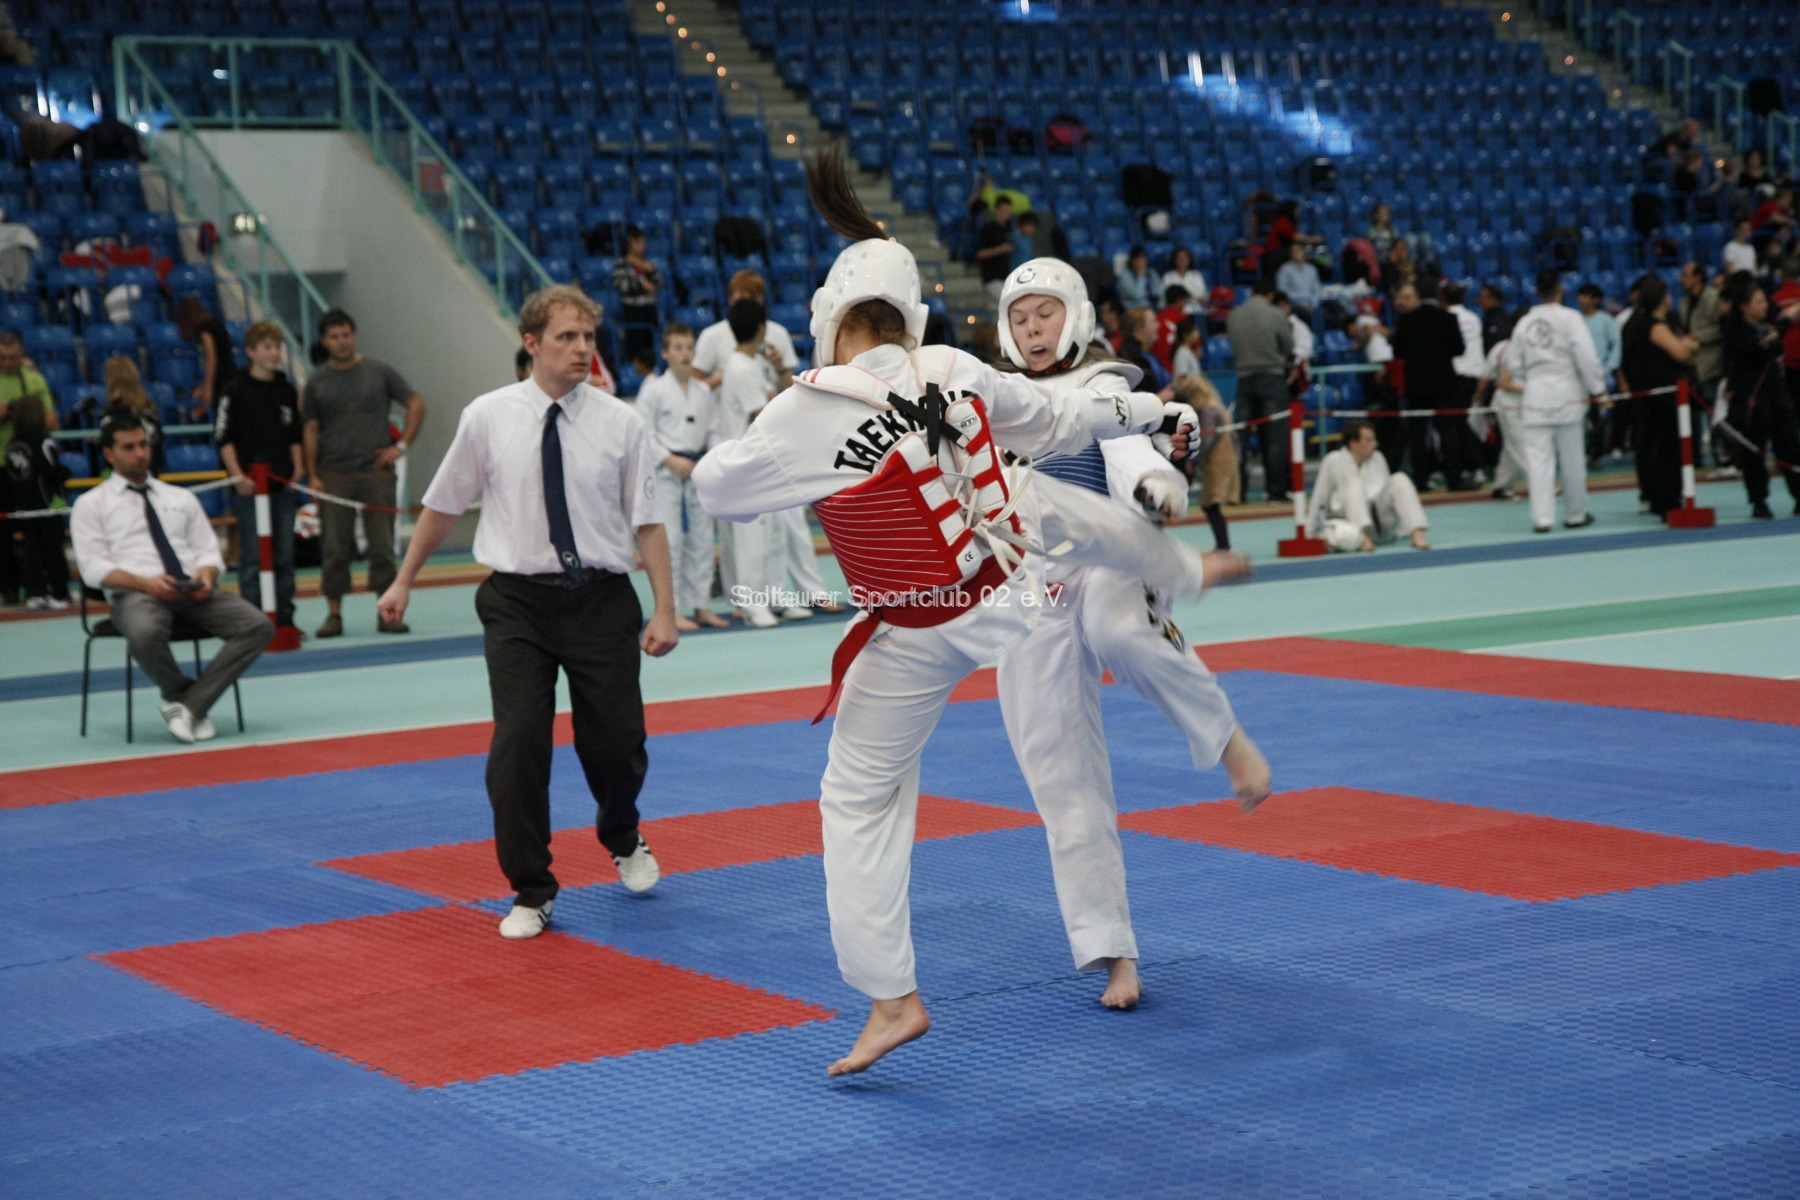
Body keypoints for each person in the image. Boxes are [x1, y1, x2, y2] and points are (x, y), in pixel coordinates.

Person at [691, 152, 1224, 1077]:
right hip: (1008, 592)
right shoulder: (951, 365)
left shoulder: (804, 412)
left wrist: (785, 436)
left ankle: (891, 1001)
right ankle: (1177, 567)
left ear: (829, 316)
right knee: (1040, 498)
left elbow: (715, 491)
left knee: (857, 794)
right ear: (911, 317)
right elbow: (1060, 419)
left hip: (919, 623)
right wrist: (1149, 410)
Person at [993, 257, 1269, 1011]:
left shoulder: (1103, 387)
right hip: (1029, 587)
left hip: (1112, 555)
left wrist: (1160, 489)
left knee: (1117, 630)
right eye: (1020, 317)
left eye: (1046, 313)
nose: (1033, 328)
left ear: (1077, 317)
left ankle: (1227, 739)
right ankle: (1115, 953)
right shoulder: (993, 401)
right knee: (1060, 779)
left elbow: (1138, 456)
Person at [377, 284, 679, 939]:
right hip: (517, 602)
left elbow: (648, 522)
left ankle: (621, 832)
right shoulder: (487, 417)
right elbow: (444, 504)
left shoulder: (622, 422)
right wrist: (404, 580)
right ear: (532, 343)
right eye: (567, 337)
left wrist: (666, 610)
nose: (581, 349)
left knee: (617, 743)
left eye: (588, 338)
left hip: (601, 599)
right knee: (517, 744)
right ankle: (531, 887)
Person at [70, 416, 274, 742]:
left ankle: (189, 707)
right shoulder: (91, 504)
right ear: (109, 454)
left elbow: (208, 552)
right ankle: (185, 698)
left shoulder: (180, 498)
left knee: (258, 626)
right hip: (136, 594)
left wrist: (207, 574)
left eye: (143, 445)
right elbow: (92, 569)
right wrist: (146, 584)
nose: (140, 453)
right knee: (144, 633)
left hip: (192, 589)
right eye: (128, 447)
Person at [301, 308, 425, 638]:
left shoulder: (379, 371)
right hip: (333, 473)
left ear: (354, 336)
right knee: (334, 548)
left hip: (376, 471)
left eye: (346, 335)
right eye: (334, 337)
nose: (342, 341)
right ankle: (334, 614)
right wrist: (313, 474)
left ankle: (388, 612)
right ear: (324, 342)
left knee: (382, 547)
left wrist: (401, 446)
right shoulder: (316, 382)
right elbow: (310, 429)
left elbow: (416, 403)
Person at [214, 321, 305, 630]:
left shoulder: (286, 390)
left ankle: (285, 617)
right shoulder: (234, 390)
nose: (274, 353)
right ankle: (253, 623)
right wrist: (238, 476)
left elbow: (295, 435)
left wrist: (297, 469)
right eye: (267, 347)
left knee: (284, 556)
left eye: (276, 347)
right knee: (253, 557)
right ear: (251, 352)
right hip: (250, 486)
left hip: (281, 485)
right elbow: (224, 437)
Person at [635, 322, 726, 632]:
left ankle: (702, 606)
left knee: (702, 540)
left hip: (697, 469)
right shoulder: (653, 390)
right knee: (670, 540)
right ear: (665, 353)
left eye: (689, 348)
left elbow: (713, 431)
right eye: (678, 348)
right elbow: (643, 433)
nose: (685, 354)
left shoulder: (703, 391)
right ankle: (669, 610)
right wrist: (669, 460)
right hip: (666, 471)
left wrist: (710, 461)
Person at [1505, 269, 1607, 532]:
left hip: (1536, 396)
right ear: (1561, 289)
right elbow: (1586, 357)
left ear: (1536, 291)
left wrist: (1533, 374)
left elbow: (1513, 363)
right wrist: (1598, 389)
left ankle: (1542, 519)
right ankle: (1576, 514)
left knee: (1538, 463)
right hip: (1567, 396)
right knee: (1572, 460)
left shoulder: (1524, 322)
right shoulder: (1570, 318)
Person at [713, 299, 785, 627]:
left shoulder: (750, 364)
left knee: (771, 534)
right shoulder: (740, 368)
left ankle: (772, 597)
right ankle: (753, 606)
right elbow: (761, 415)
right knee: (751, 539)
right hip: (745, 462)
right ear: (761, 328)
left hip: (759, 461)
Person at [1618, 275, 1698, 519]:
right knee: (1667, 449)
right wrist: (1691, 345)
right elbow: (1681, 352)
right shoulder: (1655, 326)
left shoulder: (1635, 323)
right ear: (1663, 298)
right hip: (1662, 398)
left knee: (1649, 446)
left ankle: (1654, 496)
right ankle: (1668, 500)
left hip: (1645, 396)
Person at [1720, 278, 1800, 519]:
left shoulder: (1764, 325)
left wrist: (1784, 321)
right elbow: (1763, 346)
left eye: (1765, 300)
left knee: (1789, 442)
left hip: (1776, 392)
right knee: (1754, 450)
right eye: (1759, 301)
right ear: (1744, 306)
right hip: (1752, 397)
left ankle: (1799, 494)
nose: (1765, 305)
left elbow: (1775, 340)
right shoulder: (1737, 331)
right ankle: (1759, 500)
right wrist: (1784, 323)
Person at [1389, 280, 1467, 491]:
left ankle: (1421, 481)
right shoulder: (1448, 318)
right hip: (1444, 384)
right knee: (1448, 432)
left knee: (1417, 435)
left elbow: (1397, 352)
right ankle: (1454, 479)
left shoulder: (1405, 321)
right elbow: (1459, 349)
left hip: (1416, 386)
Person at [1308, 420, 1431, 551]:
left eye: (1374, 440)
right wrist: (1308, 534)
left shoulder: (1378, 458)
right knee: (1354, 484)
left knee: (1400, 479)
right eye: (1369, 440)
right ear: (1353, 443)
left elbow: (1389, 496)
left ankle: (1417, 535)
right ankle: (1363, 539)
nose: (1375, 444)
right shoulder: (1333, 461)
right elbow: (1319, 498)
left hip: (1380, 523)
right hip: (1350, 528)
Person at [1225, 276, 1294, 501]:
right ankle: (1276, 491)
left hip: (1244, 379)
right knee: (1275, 438)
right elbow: (1288, 347)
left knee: (1241, 439)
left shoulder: (1234, 315)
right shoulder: (1276, 314)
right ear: (1271, 295)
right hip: (1271, 377)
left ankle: (1237, 491)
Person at [2, 395, 71, 609]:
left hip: (26, 507)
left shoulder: (12, 445)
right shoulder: (43, 441)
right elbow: (50, 472)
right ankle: (60, 593)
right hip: (48, 506)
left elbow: (14, 475)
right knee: (53, 549)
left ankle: (36, 593)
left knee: (32, 550)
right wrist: (65, 473)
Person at [1177, 372, 1239, 550]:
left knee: (1211, 504)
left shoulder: (1209, 411)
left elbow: (1206, 440)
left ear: (1199, 394)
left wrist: (1192, 457)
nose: (1192, 403)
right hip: (1226, 461)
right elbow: (1234, 438)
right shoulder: (1219, 406)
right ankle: (1222, 545)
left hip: (1217, 464)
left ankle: (1223, 546)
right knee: (1210, 504)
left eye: (1193, 398)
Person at [1679, 261, 1725, 455]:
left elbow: (1720, 329)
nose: (1681, 279)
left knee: (1714, 412)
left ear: (1698, 277)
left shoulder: (1713, 298)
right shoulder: (1684, 302)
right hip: (1691, 364)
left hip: (1711, 364)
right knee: (1690, 412)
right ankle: (1694, 456)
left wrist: (1697, 337)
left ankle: (1721, 454)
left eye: (1685, 275)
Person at [1476, 336, 1529, 500]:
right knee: (1520, 444)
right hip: (1508, 405)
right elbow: (1503, 383)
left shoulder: (1502, 347)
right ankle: (1540, 484)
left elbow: (1486, 377)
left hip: (1518, 405)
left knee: (1510, 446)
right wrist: (1531, 389)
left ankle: (1501, 486)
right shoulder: (1513, 350)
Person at [101, 355, 165, 476]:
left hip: (129, 477)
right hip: (151, 475)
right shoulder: (150, 410)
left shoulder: (110, 417)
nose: (139, 453)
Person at [611, 224, 663, 365]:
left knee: (650, 344)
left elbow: (659, 282)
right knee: (635, 344)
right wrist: (642, 285)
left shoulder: (648, 264)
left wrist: (650, 273)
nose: (642, 245)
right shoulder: (621, 264)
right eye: (638, 242)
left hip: (649, 308)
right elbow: (621, 285)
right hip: (632, 310)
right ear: (629, 244)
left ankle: (651, 366)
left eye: (643, 242)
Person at [175, 297, 237, 415]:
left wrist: (208, 386)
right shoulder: (214, 322)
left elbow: (211, 357)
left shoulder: (204, 328)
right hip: (229, 371)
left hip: (221, 377)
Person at [0, 330, 56, 448]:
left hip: (27, 452)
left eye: (12, 358)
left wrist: (26, 414)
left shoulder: (35, 380)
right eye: (2, 358)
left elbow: (52, 422)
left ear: (21, 352)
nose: (7, 363)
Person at [974, 196, 1017, 309]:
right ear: (996, 210)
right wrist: (1000, 249)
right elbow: (980, 254)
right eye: (1003, 211)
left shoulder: (1008, 229)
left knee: (998, 311)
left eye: (1008, 212)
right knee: (1009, 303)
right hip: (991, 277)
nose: (1005, 214)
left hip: (1005, 275)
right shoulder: (987, 229)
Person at [1577, 283, 1621, 382]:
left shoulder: (1606, 319)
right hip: (1580, 372)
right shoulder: (1575, 319)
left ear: (1596, 299)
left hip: (1603, 371)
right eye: (1580, 296)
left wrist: (1608, 368)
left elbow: (1616, 345)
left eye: (1585, 296)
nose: (1580, 299)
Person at [1274, 240, 1320, 319]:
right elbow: (1282, 291)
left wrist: (1312, 304)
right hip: (1293, 305)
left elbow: (1316, 290)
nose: (1295, 253)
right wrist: (1301, 302)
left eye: (1298, 250)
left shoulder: (1312, 269)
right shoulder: (1284, 269)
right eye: (1293, 251)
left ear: (1303, 251)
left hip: (1311, 305)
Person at [1161, 247, 1206, 312]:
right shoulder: (1168, 276)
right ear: (1174, 260)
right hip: (1175, 310)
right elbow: (1168, 297)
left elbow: (1202, 296)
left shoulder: (1196, 275)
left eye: (1184, 258)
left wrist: (1190, 297)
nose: (1182, 260)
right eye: (1179, 258)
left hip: (1194, 310)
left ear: (1189, 260)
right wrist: (1186, 296)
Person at [1115, 245, 1158, 310]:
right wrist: (1141, 276)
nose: (1142, 261)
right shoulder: (1125, 277)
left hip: (1152, 307)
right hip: (1133, 309)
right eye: (1139, 258)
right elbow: (1137, 295)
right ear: (1133, 261)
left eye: (1144, 258)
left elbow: (1160, 292)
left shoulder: (1152, 273)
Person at [1170, 317, 1203, 383]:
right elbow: (1181, 381)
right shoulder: (1183, 353)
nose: (1198, 333)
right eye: (1194, 331)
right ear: (1186, 335)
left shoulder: (1188, 351)